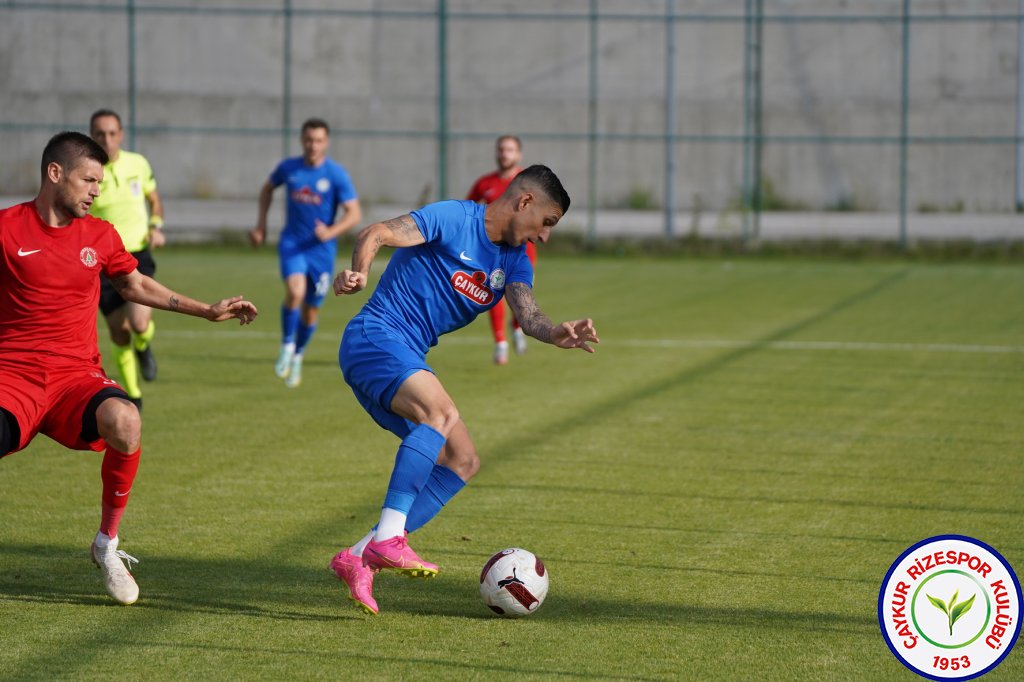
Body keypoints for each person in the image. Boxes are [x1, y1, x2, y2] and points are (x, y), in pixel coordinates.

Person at [0, 132, 258, 606]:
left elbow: (134, 283)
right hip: (11, 376)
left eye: (101, 180)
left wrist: (205, 310)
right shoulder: (6, 228)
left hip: (76, 377)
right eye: (89, 180)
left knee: (126, 420)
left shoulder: (99, 235)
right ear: (55, 174)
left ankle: (107, 546)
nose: (97, 190)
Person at [328, 165, 599, 615]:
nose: (545, 237)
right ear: (525, 202)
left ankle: (357, 557)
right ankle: (389, 539)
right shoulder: (455, 219)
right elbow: (376, 233)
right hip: (375, 337)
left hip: (402, 355)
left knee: (463, 459)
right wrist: (358, 273)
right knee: (439, 413)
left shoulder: (513, 260)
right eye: (547, 223)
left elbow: (528, 316)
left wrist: (555, 332)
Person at [249, 118, 362, 388]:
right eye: (309, 140)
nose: (313, 145)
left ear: (327, 142)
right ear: (302, 140)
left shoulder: (336, 174)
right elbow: (266, 190)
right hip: (293, 244)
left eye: (319, 140)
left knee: (311, 311)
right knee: (295, 292)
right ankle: (287, 345)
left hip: (321, 252)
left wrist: (332, 231)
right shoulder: (289, 168)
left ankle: (298, 355)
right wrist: (261, 225)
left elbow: (355, 214)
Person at [88, 109, 165, 411]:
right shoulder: (88, 173)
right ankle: (133, 394)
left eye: (111, 133)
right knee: (119, 332)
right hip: (104, 263)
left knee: (139, 322)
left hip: (137, 255)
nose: (106, 139)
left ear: (121, 134)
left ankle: (144, 346)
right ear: (92, 136)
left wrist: (156, 225)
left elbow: (154, 198)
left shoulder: (138, 163)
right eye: (100, 134)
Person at [466, 135, 535, 365]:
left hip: (522, 252)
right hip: (492, 251)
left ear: (518, 154)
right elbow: (469, 210)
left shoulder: (528, 182)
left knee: (519, 295)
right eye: (501, 149)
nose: (504, 153)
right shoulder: (485, 184)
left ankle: (516, 327)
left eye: (510, 150)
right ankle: (500, 343)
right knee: (493, 294)